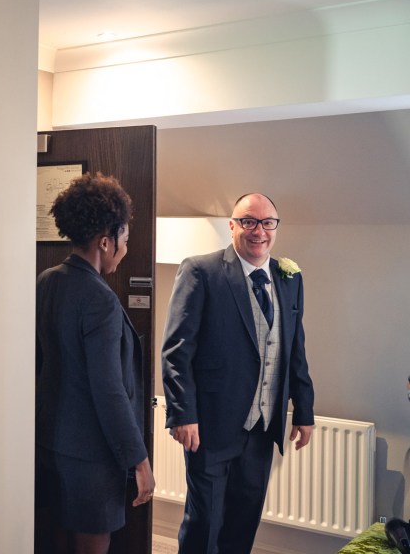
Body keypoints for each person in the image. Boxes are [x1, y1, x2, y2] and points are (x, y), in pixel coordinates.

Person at [161, 193, 315, 554]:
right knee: (204, 524)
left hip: (262, 429)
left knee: (243, 522)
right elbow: (177, 351)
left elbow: (295, 347)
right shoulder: (201, 271)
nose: (258, 231)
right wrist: (183, 414)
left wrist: (304, 410)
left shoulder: (289, 278)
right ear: (232, 226)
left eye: (267, 223)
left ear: (276, 227)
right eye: (248, 221)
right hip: (210, 427)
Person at [35, 173, 154, 554]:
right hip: (91, 454)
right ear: (106, 241)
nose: (125, 247)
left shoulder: (47, 281)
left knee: (57, 540)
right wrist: (139, 460)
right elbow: (109, 390)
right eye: (124, 238)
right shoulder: (99, 299)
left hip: (50, 443)